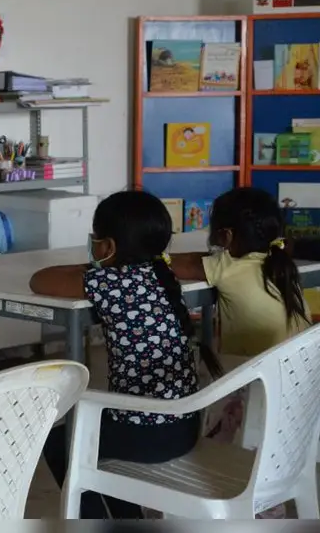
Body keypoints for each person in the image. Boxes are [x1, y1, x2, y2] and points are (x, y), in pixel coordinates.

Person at [29, 191, 217, 519]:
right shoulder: (162, 275)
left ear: (108, 246)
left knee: (60, 441)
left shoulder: (113, 282)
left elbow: (40, 279)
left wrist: (95, 265)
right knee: (93, 437)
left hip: (147, 434)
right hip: (185, 426)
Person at [171, 188, 312, 446]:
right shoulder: (281, 263)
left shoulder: (227, 266)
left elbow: (170, 265)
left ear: (226, 236)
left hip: (257, 385)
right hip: (300, 385)